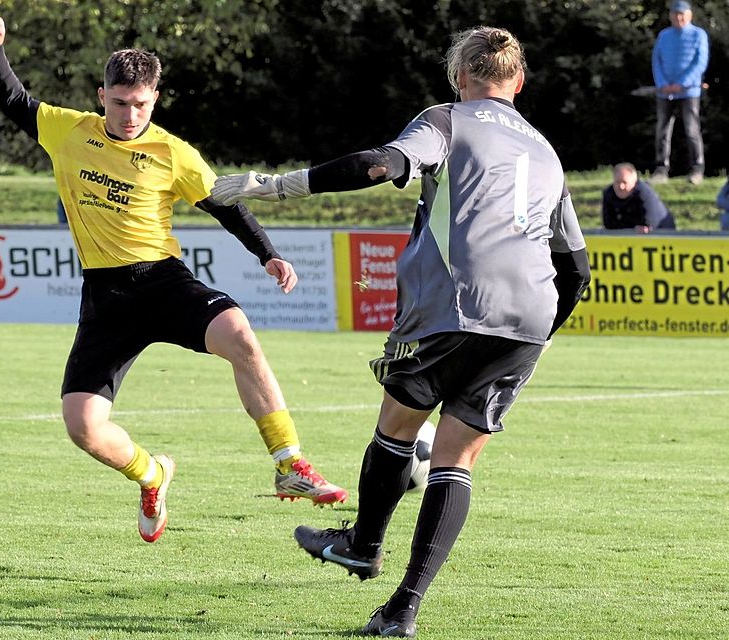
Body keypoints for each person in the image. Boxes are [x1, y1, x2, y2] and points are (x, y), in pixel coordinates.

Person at [213, 26, 590, 637]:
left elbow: (377, 165)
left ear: (459, 77)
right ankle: (402, 608)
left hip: (456, 303)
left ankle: (364, 545)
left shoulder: (447, 119)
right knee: (455, 461)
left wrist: (277, 185)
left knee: (396, 426)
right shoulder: (547, 154)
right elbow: (576, 269)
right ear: (518, 83)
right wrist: (537, 337)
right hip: (529, 318)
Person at [0, 14, 348, 544]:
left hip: (163, 282)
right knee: (82, 427)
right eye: (120, 102)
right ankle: (152, 475)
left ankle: (290, 462)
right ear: (102, 95)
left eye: (142, 104)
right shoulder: (68, 131)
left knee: (240, 334)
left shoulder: (173, 153)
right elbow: (13, 99)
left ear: (156, 98)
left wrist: (268, 254)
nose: (130, 115)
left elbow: (225, 204)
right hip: (106, 298)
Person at [650, 0, 709, 185]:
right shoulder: (664, 36)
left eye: (682, 14)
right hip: (664, 92)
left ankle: (697, 170)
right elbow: (656, 61)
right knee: (662, 131)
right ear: (670, 16)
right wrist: (663, 83)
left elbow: (700, 62)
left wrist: (681, 83)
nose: (679, 17)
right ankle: (661, 170)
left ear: (689, 15)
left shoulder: (699, 35)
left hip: (689, 92)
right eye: (675, 14)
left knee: (692, 130)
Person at [602, 162, 676, 232]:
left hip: (663, 232)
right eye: (618, 182)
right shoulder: (608, 194)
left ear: (634, 182)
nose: (621, 187)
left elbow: (648, 226)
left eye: (625, 182)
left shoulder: (644, 194)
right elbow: (609, 225)